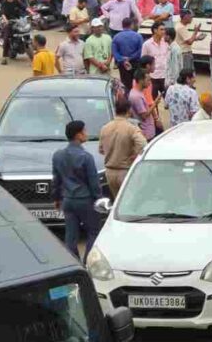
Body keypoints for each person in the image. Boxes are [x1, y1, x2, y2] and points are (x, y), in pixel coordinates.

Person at [51, 120, 102, 262]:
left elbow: (56, 180)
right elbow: (94, 183)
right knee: (93, 232)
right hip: (85, 200)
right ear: (78, 135)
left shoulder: (58, 155)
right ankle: (87, 262)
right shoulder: (86, 157)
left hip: (67, 200)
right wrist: (99, 200)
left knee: (71, 236)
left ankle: (73, 263)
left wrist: (56, 198)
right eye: (84, 131)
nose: (86, 134)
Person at [98, 97, 146, 196]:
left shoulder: (104, 128)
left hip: (109, 173)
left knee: (117, 201)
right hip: (125, 171)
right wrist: (135, 154)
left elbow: (101, 150)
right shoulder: (131, 128)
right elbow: (143, 145)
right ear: (129, 110)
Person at [112, 18, 144, 90]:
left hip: (122, 64)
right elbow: (140, 50)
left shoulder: (116, 37)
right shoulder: (138, 36)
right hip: (135, 63)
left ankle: (127, 99)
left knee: (125, 84)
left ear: (122, 25)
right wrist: (130, 58)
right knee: (136, 83)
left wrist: (123, 59)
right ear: (131, 25)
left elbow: (114, 52)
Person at [141, 21, 170, 98]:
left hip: (165, 76)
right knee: (152, 100)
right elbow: (143, 61)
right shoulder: (147, 44)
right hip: (153, 77)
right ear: (155, 30)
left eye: (164, 30)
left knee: (169, 99)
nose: (164, 32)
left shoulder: (166, 43)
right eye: (161, 29)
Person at [0, 0, 27, 65]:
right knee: (6, 38)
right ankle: (4, 57)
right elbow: (3, 13)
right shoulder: (4, 3)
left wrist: (30, 12)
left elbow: (24, 7)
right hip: (8, 22)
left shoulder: (16, 1)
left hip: (17, 21)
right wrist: (5, 20)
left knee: (27, 30)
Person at [129, 69, 155, 140]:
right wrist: (155, 103)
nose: (150, 83)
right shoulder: (137, 97)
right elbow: (144, 116)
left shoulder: (138, 92)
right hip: (146, 133)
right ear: (141, 80)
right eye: (148, 80)